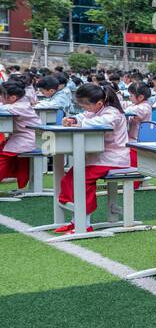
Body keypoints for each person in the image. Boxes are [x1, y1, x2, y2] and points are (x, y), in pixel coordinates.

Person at [54, 83, 130, 233]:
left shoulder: (112, 113)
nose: (83, 108)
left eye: (85, 104)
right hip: (100, 158)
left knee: (81, 180)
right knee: (69, 178)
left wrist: (79, 123)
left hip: (114, 159)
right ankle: (76, 220)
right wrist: (73, 120)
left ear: (99, 103)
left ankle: (85, 223)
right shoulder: (97, 109)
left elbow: (99, 122)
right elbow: (84, 116)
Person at [0, 80, 39, 190]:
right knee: (20, 161)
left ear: (12, 98)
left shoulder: (18, 107)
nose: (1, 99)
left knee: (2, 155)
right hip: (25, 137)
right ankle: (21, 187)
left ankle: (22, 187)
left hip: (28, 139)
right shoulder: (20, 103)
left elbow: (3, 107)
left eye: (1, 96)